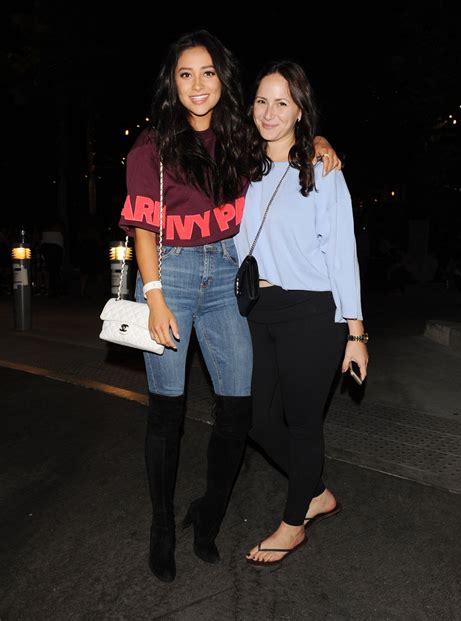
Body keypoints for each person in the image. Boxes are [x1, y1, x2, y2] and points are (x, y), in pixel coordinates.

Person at [118, 31, 341, 583]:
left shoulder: (240, 136)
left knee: (238, 411)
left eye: (208, 73)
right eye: (186, 74)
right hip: (169, 275)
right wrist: (153, 296)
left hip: (226, 277)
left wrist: (320, 141)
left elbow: (288, 137)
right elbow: (144, 229)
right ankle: (162, 527)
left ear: (223, 79)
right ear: (173, 82)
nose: (198, 85)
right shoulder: (152, 146)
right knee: (167, 414)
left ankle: (208, 516)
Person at [234, 60, 369, 566]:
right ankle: (314, 491)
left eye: (282, 103)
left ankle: (293, 525)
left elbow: (341, 252)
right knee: (255, 417)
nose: (269, 113)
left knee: (302, 422)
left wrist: (357, 334)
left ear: (299, 111)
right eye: (262, 101)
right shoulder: (243, 170)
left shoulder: (320, 168)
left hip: (314, 312)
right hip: (258, 309)